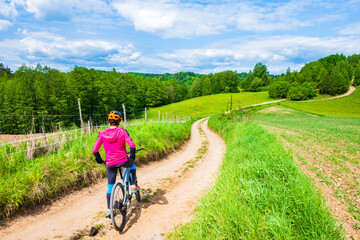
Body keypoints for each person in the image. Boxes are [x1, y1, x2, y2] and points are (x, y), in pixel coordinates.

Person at [92, 110, 140, 218]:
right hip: (123, 160)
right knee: (132, 164)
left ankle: (109, 210)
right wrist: (131, 157)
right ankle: (133, 185)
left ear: (109, 121)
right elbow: (132, 145)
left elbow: (95, 150)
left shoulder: (102, 134)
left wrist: (100, 161)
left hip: (110, 163)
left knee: (110, 187)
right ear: (119, 121)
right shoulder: (123, 132)